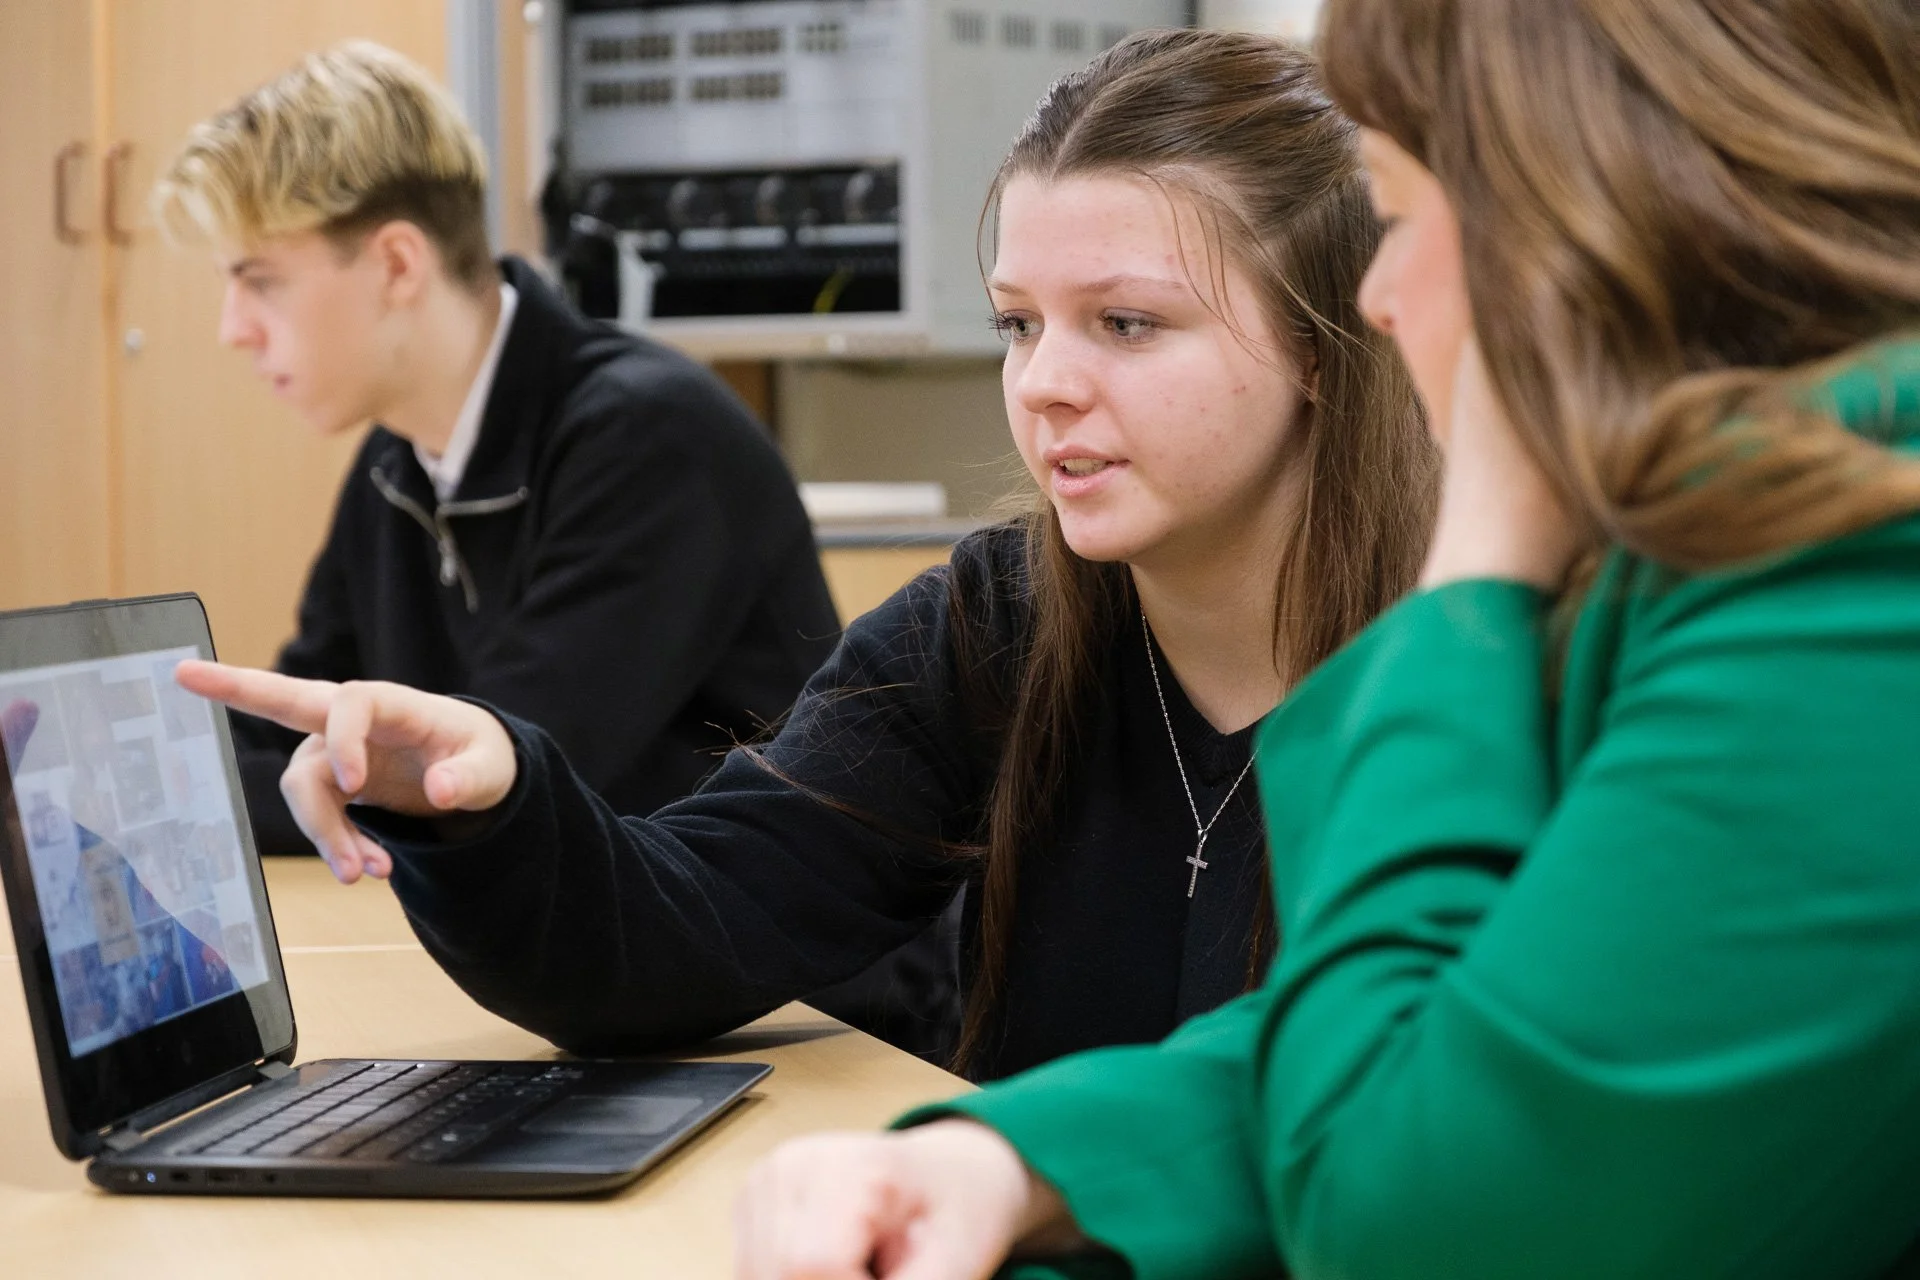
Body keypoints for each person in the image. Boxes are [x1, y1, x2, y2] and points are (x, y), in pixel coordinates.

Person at [728, 0, 1920, 1276]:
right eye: (1015, 323)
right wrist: (1008, 1157)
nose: (1383, 297)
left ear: (1605, 214)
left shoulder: (1841, 576)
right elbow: (1463, 1041)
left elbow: (1413, 1203)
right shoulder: (1731, 535)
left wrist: (1476, 562)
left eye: (1403, 222)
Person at [176, 30, 1438, 1079]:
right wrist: (495, 794)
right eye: (1017, 324)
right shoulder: (994, 619)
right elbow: (683, 929)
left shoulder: (1490, 663)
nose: (1045, 384)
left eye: (1127, 323)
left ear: (1329, 343)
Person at [149, 42, 841, 858]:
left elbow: (482, 780)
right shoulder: (393, 463)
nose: (234, 329)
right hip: (586, 951)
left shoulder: (649, 438)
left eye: (260, 280)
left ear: (397, 264)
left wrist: (189, 801)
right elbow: (305, 723)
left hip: (786, 975)